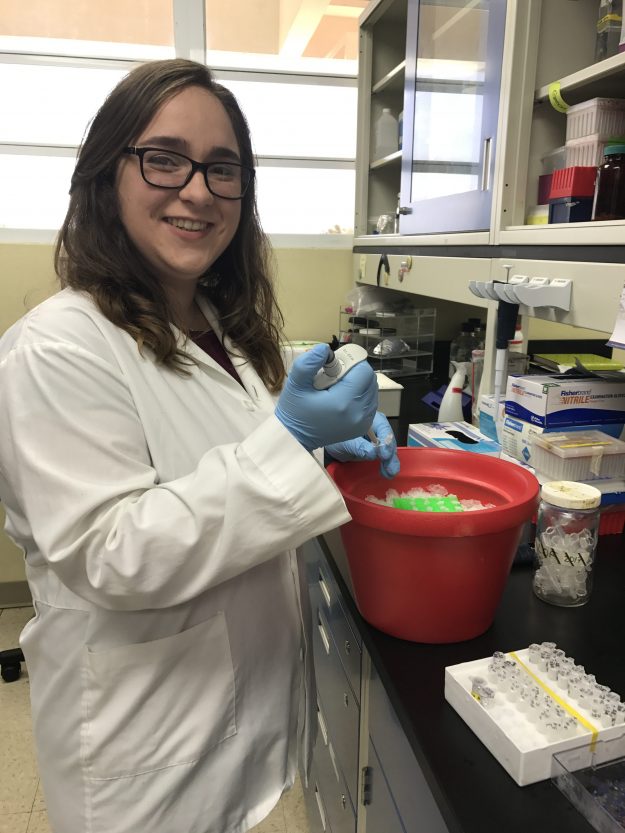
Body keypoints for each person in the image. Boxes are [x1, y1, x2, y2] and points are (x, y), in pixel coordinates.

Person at [0, 58, 399, 833]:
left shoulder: (222, 327)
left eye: (223, 169)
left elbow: (225, 476)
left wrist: (323, 446)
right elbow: (110, 550)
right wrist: (290, 443)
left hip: (229, 704)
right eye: (164, 158)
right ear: (104, 174)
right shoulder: (58, 346)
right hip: (140, 737)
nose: (197, 190)